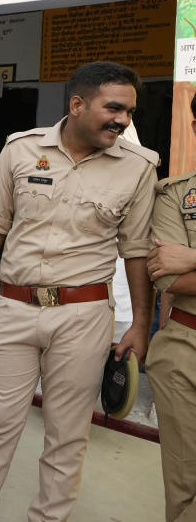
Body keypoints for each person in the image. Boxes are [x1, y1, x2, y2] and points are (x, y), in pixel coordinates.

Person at [0, 61, 157, 522]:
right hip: (14, 308)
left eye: (128, 112)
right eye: (114, 108)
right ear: (77, 104)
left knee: (67, 435)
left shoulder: (139, 167)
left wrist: (141, 324)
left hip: (83, 318)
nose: (122, 120)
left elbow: (138, 250)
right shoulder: (21, 150)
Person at [146, 92, 196, 522]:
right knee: (185, 483)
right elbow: (167, 278)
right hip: (185, 348)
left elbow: (185, 268)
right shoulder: (176, 196)